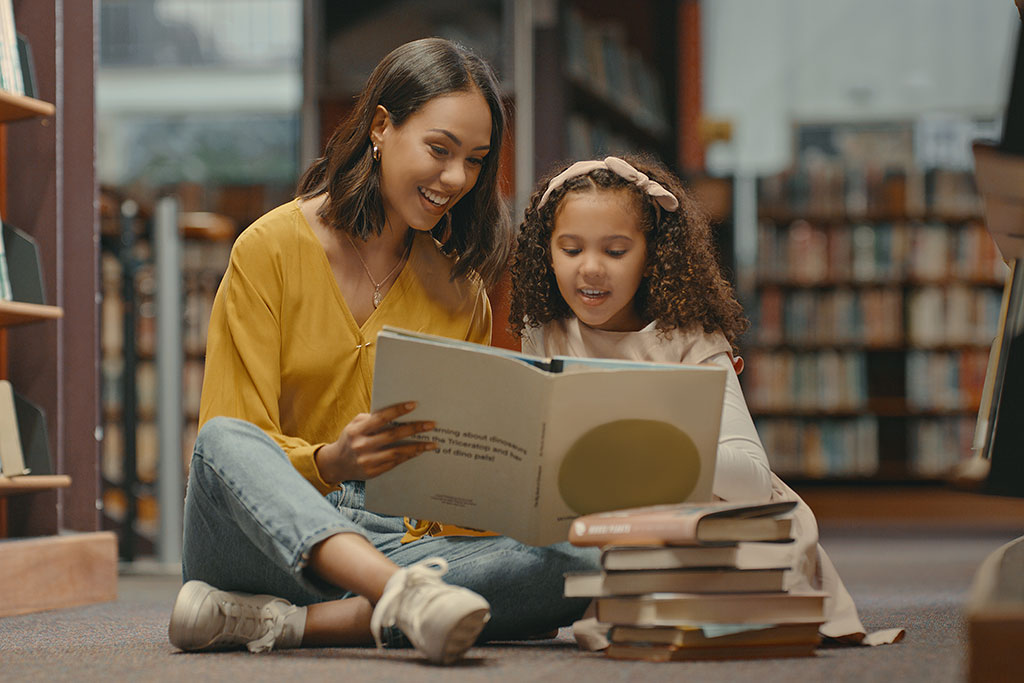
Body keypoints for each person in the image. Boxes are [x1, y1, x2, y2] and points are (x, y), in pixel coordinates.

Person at [168, 38, 598, 665]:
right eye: (439, 149)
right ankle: (399, 600)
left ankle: (293, 625)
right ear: (380, 127)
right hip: (264, 542)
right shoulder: (269, 249)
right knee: (222, 441)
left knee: (578, 560)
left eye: (476, 161)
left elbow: (455, 490)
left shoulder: (461, 291)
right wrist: (330, 462)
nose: (456, 179)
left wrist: (521, 488)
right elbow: (237, 449)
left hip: (403, 540)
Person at [509, 153, 902, 648]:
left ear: (651, 255)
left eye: (615, 251)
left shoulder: (688, 339)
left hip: (708, 518)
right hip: (603, 522)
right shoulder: (544, 331)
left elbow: (753, 480)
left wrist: (644, 441)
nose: (590, 269)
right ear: (547, 253)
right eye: (570, 249)